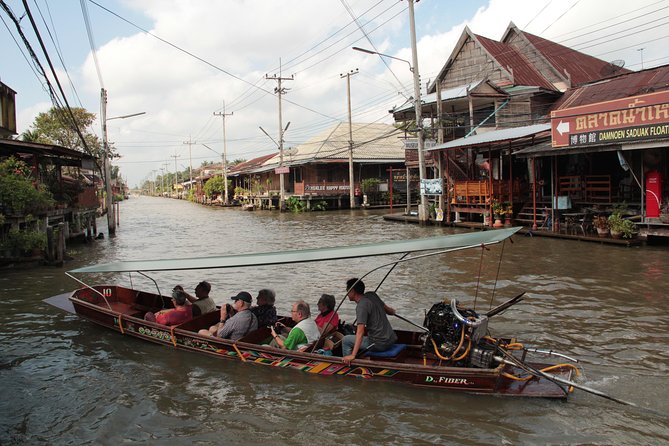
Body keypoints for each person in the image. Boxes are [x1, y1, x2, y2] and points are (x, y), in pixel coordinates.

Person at [341, 278, 397, 365]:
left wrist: (353, 355)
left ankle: (347, 364)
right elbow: (389, 310)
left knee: (346, 340)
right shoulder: (372, 295)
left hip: (379, 344)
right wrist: (393, 311)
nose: (347, 293)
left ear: (352, 291)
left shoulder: (361, 306)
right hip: (391, 338)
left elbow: (360, 332)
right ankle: (362, 357)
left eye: (347, 290)